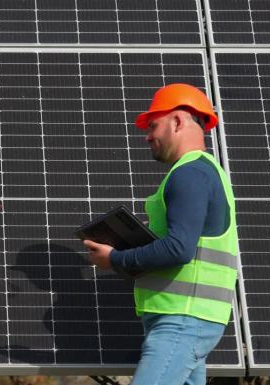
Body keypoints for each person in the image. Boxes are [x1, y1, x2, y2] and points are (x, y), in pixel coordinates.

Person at [83, 84, 238, 385]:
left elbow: (179, 249)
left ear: (178, 121)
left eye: (153, 125)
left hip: (182, 320)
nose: (147, 135)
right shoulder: (204, 172)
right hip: (189, 317)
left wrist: (115, 257)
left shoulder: (190, 174)